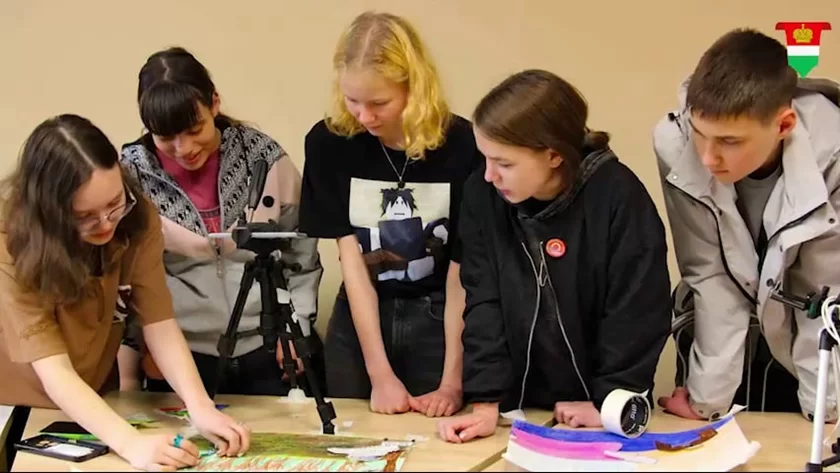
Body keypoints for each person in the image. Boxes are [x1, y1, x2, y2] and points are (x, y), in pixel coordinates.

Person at [0, 114, 250, 471]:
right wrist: (130, 444)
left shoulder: (136, 218)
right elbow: (53, 370)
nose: (106, 223)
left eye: (114, 203)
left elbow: (159, 322)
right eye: (85, 216)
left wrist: (200, 407)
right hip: (18, 404)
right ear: (50, 212)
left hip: (96, 399)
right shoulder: (10, 240)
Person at [438, 69, 672, 443]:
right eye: (485, 158)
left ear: (554, 155)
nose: (489, 175)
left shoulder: (619, 197)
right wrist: (485, 400)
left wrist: (609, 400)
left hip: (597, 405)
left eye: (504, 163)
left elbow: (638, 309)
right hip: (518, 407)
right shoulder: (483, 196)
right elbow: (483, 299)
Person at [299, 11, 483, 416]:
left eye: (379, 103)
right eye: (352, 101)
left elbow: (461, 273)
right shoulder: (329, 143)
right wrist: (379, 375)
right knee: (350, 430)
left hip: (439, 317)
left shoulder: (464, 146)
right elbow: (352, 263)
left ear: (414, 87)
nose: (364, 117)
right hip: (361, 320)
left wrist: (451, 383)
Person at [654, 28, 840, 423]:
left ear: (784, 125)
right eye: (700, 134)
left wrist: (827, 408)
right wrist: (706, 400)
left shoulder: (834, 155)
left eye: (730, 141)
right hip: (716, 329)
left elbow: (822, 293)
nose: (708, 158)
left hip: (808, 327)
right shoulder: (675, 142)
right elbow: (708, 272)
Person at [118, 46, 324, 397]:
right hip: (179, 353)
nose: (183, 148)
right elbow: (129, 276)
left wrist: (298, 327)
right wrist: (144, 346)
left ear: (214, 103)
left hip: (268, 348)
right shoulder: (132, 177)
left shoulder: (265, 160)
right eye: (165, 137)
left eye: (194, 128)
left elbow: (301, 256)